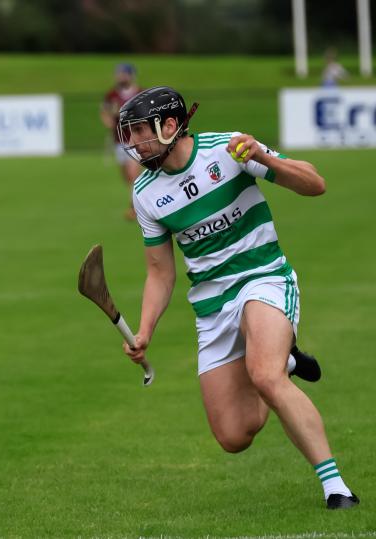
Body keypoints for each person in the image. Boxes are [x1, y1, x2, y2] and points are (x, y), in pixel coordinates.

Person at [117, 86, 359, 511]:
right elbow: (160, 271)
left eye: (140, 131)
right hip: (212, 307)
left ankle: (336, 487)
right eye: (130, 133)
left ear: (170, 125)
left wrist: (264, 158)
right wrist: (145, 330)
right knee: (234, 435)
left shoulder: (228, 149)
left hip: (263, 278)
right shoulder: (146, 192)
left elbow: (314, 184)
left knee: (264, 376)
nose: (134, 143)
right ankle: (284, 360)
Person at [100, 63, 142, 221]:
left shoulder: (140, 93)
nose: (121, 77)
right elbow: (104, 111)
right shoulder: (112, 95)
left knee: (133, 174)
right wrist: (109, 121)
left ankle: (135, 207)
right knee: (126, 176)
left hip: (136, 140)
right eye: (119, 74)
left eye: (124, 74)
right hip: (119, 140)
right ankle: (137, 199)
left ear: (131, 75)